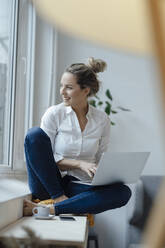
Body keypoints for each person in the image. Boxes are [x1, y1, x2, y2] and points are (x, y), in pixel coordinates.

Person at [23, 57, 131, 216]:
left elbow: (101, 158)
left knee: (123, 192)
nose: (62, 92)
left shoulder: (102, 120)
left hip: (80, 185)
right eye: (61, 86)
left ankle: (53, 209)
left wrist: (109, 173)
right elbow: (43, 159)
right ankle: (59, 199)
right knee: (34, 135)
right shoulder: (54, 114)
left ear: (85, 90)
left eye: (68, 87)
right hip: (49, 184)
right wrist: (80, 164)